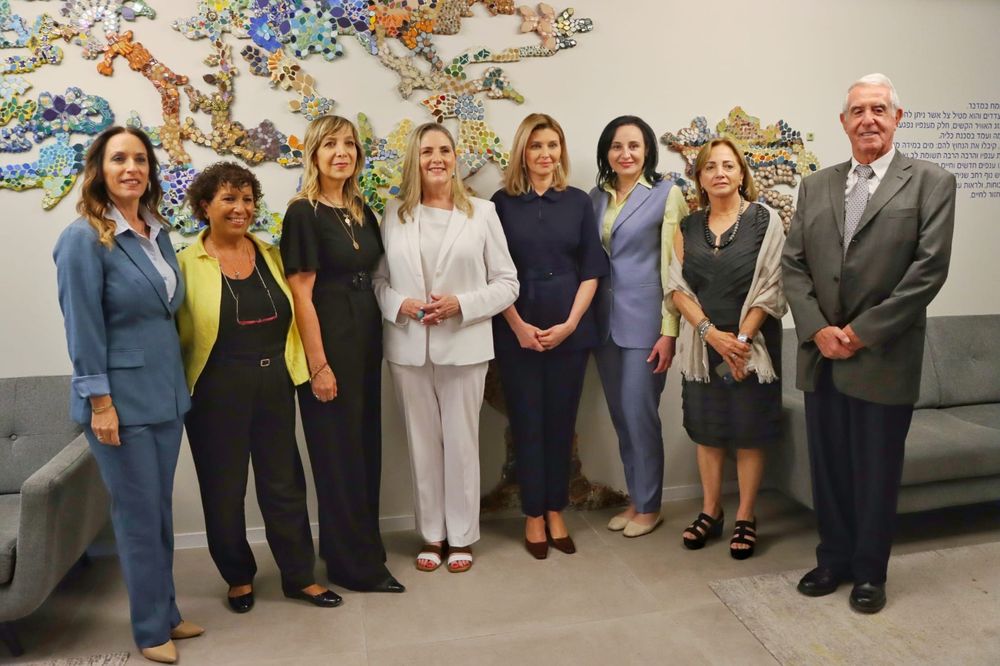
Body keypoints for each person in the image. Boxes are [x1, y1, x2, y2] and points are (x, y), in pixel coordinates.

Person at [782, 73, 955, 613]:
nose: (868, 120)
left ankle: (869, 573)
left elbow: (927, 273)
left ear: (897, 118)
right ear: (843, 122)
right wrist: (818, 329)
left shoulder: (931, 181)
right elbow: (794, 265)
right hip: (821, 354)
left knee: (876, 471)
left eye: (879, 109)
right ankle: (832, 559)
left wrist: (859, 333)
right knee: (828, 466)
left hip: (882, 355)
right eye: (858, 111)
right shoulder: (815, 185)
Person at [53, 126, 202, 664]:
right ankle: (148, 629)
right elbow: (82, 328)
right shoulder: (83, 238)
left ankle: (168, 612)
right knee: (137, 517)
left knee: (158, 512)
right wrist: (99, 402)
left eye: (139, 159)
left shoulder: (156, 231)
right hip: (118, 404)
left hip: (165, 396)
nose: (130, 168)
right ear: (100, 168)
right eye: (119, 159)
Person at [177, 162, 340, 611]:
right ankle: (238, 577)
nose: (240, 208)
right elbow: (173, 335)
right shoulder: (184, 264)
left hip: (274, 382)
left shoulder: (271, 254)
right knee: (224, 490)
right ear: (205, 205)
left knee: (283, 483)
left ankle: (299, 576)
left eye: (247, 199)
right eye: (229, 198)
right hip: (215, 390)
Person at [374, 122, 518, 573]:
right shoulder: (394, 212)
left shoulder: (481, 213)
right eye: (426, 151)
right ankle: (431, 534)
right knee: (422, 444)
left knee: (460, 443)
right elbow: (379, 282)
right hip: (409, 347)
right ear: (414, 160)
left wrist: (461, 304)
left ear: (456, 158)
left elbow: (507, 283)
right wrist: (401, 305)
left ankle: (461, 536)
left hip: (465, 346)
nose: (436, 158)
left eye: (444, 150)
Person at [280, 115, 404, 594]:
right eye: (330, 144)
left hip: (364, 344)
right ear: (313, 152)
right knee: (337, 458)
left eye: (349, 144)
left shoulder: (359, 208)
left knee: (362, 450)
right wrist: (319, 365)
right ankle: (356, 568)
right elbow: (301, 295)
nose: (341, 152)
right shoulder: (302, 213)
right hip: (329, 347)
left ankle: (350, 548)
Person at [491, 113, 608, 559]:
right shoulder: (500, 204)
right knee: (526, 425)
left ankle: (556, 509)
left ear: (561, 151)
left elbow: (592, 270)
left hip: (569, 331)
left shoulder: (578, 202)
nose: (545, 154)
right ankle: (533, 514)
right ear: (523, 150)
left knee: (561, 424)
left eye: (552, 145)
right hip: (516, 330)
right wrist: (519, 326)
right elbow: (492, 271)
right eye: (536, 145)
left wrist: (571, 325)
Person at [665, 138, 786, 559]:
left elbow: (773, 284)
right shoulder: (687, 227)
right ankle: (710, 511)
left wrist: (742, 341)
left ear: (741, 174)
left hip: (754, 344)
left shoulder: (765, 220)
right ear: (699, 177)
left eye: (728, 165)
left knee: (750, 434)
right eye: (710, 166)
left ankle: (746, 516)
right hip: (703, 345)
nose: (720, 172)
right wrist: (711, 334)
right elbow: (677, 289)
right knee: (709, 431)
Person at [589, 115, 689, 537]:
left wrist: (670, 330)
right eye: (616, 146)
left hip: (647, 322)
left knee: (640, 413)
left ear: (647, 149)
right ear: (606, 153)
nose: (625, 153)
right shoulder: (596, 197)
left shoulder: (668, 194)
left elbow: (676, 266)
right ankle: (636, 499)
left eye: (633, 145)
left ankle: (650, 506)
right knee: (621, 416)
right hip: (602, 323)